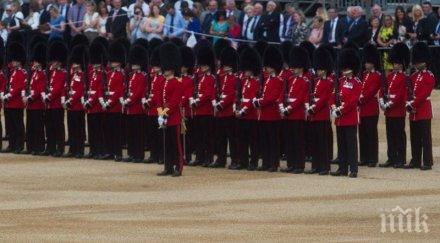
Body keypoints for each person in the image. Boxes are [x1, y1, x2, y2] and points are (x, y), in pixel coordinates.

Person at [330, 48, 362, 178]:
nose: (343, 70)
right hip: (339, 118)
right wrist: (333, 107)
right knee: (341, 144)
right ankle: (342, 168)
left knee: (351, 145)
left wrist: (340, 111)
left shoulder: (357, 82)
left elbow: (353, 101)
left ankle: (353, 169)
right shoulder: (341, 81)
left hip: (349, 117)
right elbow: (333, 96)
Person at [279, 46, 309, 174]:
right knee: (289, 140)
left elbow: (301, 98)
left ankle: (299, 165)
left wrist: (288, 109)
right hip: (287, 114)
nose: (294, 69)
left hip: (297, 114)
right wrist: (281, 107)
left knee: (298, 141)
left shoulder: (305, 80)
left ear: (301, 67)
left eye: (296, 67)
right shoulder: (290, 79)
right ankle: (291, 164)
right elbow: (283, 94)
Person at [379, 43, 409, 168]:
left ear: (402, 64)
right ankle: (391, 157)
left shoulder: (404, 78)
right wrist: (382, 101)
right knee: (390, 135)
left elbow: (401, 94)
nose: (395, 65)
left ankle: (400, 158)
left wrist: (390, 103)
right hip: (389, 110)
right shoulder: (390, 76)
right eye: (394, 63)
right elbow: (383, 90)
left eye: (397, 64)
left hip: (398, 110)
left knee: (399, 135)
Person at [253, 46, 283, 172]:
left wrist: (259, 102)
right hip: (264, 114)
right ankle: (266, 162)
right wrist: (257, 98)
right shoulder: (266, 79)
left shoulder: (278, 80)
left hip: (272, 114)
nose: (267, 68)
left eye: (269, 66)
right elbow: (262, 93)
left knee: (272, 141)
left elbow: (272, 97)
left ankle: (273, 163)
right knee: (264, 140)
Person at [406, 42, 434, 170]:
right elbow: (409, 91)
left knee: (425, 138)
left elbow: (424, 94)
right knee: (415, 137)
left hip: (423, 110)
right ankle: (416, 160)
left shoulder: (429, 75)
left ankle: (427, 161)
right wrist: (408, 102)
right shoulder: (413, 76)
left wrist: (413, 104)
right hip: (414, 112)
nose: (416, 64)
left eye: (418, 61)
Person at [156, 43, 184, 176]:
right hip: (164, 118)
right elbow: (158, 99)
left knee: (176, 145)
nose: (165, 70)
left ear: (172, 69)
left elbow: (174, 102)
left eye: (167, 68)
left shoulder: (177, 83)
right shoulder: (162, 82)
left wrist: (164, 113)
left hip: (174, 118)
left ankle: (178, 167)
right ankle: (168, 167)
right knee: (166, 144)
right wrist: (160, 114)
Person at [210, 47, 238, 168]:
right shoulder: (220, 76)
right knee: (219, 137)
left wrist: (221, 105)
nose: (225, 67)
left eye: (227, 65)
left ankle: (235, 160)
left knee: (232, 138)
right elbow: (214, 90)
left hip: (228, 112)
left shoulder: (235, 78)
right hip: (219, 112)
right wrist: (214, 103)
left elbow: (233, 94)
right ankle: (221, 159)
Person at [188, 45, 216, 167]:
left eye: (204, 65)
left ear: (209, 65)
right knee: (198, 136)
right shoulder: (199, 77)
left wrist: (197, 101)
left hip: (206, 111)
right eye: (202, 65)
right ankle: (199, 157)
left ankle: (208, 158)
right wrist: (192, 99)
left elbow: (208, 94)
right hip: (197, 111)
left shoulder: (211, 78)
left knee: (207, 137)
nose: (202, 67)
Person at [234, 47, 260, 170]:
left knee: (253, 141)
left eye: (248, 69)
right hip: (242, 114)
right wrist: (236, 108)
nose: (246, 72)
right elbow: (239, 96)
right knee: (242, 140)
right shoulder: (244, 81)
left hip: (251, 115)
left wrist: (243, 111)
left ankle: (253, 162)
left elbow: (252, 99)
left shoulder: (256, 82)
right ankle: (243, 161)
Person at [121, 44, 147, 163]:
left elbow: (139, 92)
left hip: (136, 108)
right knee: (130, 133)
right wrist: (123, 98)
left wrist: (128, 100)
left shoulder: (142, 76)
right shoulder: (130, 76)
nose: (134, 65)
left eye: (136, 63)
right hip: (129, 109)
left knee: (138, 133)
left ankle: (139, 154)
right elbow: (126, 88)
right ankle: (132, 153)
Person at [99, 41, 125, 162]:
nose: (112, 62)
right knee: (108, 130)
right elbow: (105, 88)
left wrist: (109, 102)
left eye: (114, 61)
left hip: (115, 107)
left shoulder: (121, 74)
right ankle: (109, 151)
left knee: (117, 131)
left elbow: (119, 91)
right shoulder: (109, 74)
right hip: (107, 106)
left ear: (119, 62)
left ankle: (118, 153)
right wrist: (103, 100)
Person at [41, 40, 67, 157]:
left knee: (58, 127)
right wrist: (44, 95)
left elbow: (58, 88)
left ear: (60, 62)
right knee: (49, 127)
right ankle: (50, 147)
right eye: (53, 61)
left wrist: (49, 96)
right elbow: (44, 84)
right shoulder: (50, 72)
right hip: (48, 104)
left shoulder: (62, 73)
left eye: (55, 61)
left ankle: (60, 148)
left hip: (56, 104)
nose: (54, 63)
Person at [82, 41, 106, 159]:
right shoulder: (91, 73)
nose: (95, 66)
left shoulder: (102, 74)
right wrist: (85, 99)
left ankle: (100, 150)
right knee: (91, 129)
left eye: (97, 64)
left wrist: (91, 100)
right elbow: (88, 88)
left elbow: (99, 90)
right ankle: (93, 149)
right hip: (90, 106)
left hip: (97, 106)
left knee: (99, 130)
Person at [358, 44, 381, 167]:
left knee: (371, 134)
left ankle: (373, 158)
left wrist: (359, 99)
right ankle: (364, 157)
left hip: (371, 108)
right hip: (361, 109)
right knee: (362, 134)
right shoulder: (363, 75)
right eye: (365, 62)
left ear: (373, 63)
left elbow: (371, 91)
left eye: (368, 62)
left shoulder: (377, 75)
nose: (366, 64)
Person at [63, 45, 87, 158]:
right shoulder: (72, 75)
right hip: (70, 106)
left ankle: (80, 149)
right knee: (71, 128)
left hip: (78, 106)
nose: (73, 66)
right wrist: (66, 99)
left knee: (79, 128)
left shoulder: (83, 75)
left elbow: (80, 91)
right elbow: (67, 87)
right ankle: (72, 148)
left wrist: (70, 100)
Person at [22, 42, 46, 155]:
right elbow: (29, 86)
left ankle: (39, 147)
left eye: (36, 62)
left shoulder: (42, 74)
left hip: (37, 104)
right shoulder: (33, 73)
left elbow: (39, 89)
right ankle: (31, 146)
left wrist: (30, 97)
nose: (34, 63)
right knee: (30, 126)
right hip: (30, 105)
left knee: (38, 127)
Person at [1, 42, 26, 154]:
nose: (12, 62)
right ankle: (12, 144)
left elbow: (19, 87)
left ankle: (19, 145)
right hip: (9, 103)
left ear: (19, 61)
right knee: (10, 126)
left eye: (14, 61)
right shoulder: (12, 72)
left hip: (16, 103)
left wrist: (9, 95)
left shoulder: (21, 72)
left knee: (17, 125)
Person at [179, 46, 195, 164]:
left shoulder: (189, 80)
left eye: (183, 66)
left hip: (185, 111)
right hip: (177, 111)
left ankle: (187, 156)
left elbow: (187, 95)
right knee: (179, 136)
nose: (182, 68)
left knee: (187, 136)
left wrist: (179, 102)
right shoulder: (176, 79)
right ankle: (180, 155)